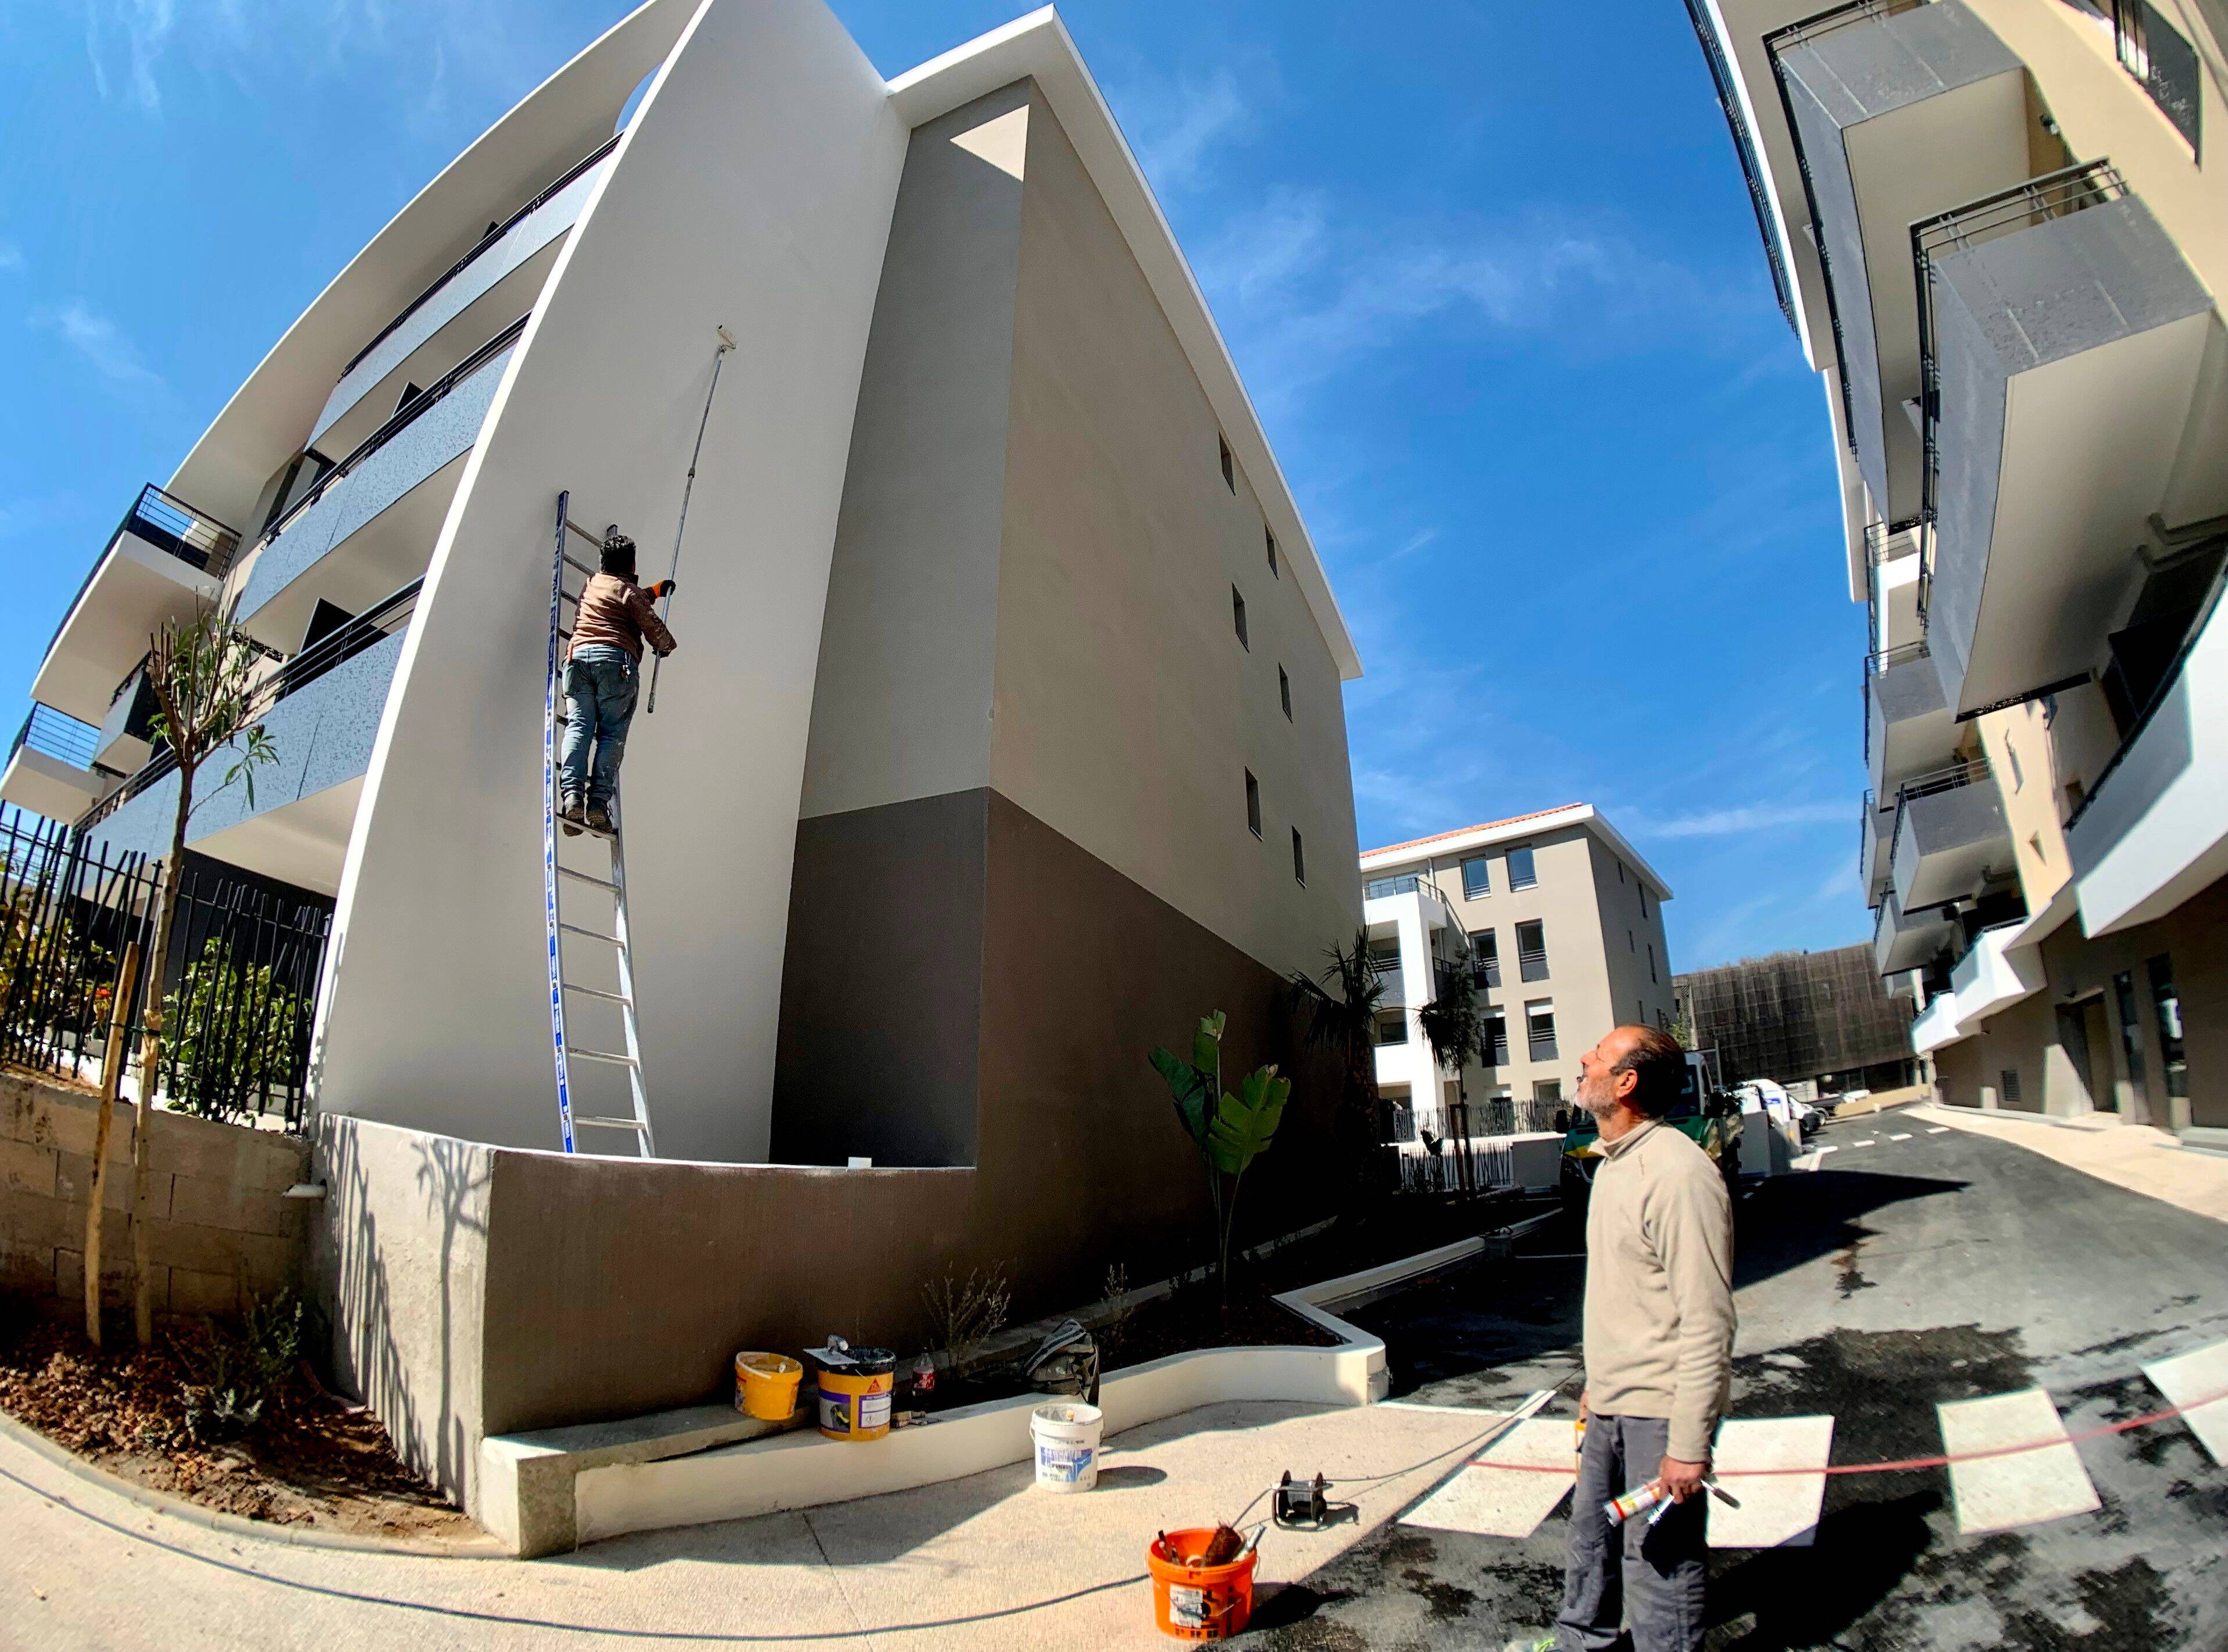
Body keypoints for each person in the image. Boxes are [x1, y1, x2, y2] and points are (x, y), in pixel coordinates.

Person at [1515, 1024, 1735, 1652]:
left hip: (1659, 1413)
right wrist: (1597, 1384)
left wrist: (1688, 1445)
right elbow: (1627, 1297)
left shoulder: (1678, 1174)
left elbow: (1707, 1319)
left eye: (1600, 1055)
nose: (1585, 1059)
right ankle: (1582, 1643)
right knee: (1591, 1543)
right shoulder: (1613, 1162)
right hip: (1611, 1402)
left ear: (1626, 1082)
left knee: (1659, 1565)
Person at [559, 531, 676, 836]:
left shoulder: (591, 584)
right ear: (632, 565)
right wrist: (665, 645)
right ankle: (598, 804)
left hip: (578, 661)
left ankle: (572, 797)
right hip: (615, 664)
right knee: (611, 735)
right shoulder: (629, 592)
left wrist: (655, 591)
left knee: (578, 727)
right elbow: (649, 622)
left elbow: (623, 597)